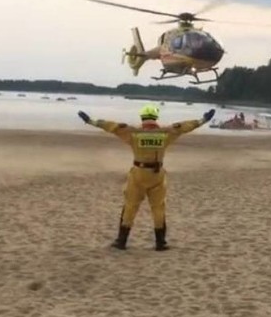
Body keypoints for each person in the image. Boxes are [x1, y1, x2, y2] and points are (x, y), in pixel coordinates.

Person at [76, 104, 216, 251]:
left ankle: (121, 241)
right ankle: (160, 243)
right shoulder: (167, 133)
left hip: (138, 173)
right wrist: (204, 119)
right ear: (155, 118)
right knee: (158, 208)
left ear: (142, 118)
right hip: (157, 174)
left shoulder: (133, 133)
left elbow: (111, 126)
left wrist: (90, 120)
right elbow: (186, 126)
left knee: (130, 206)